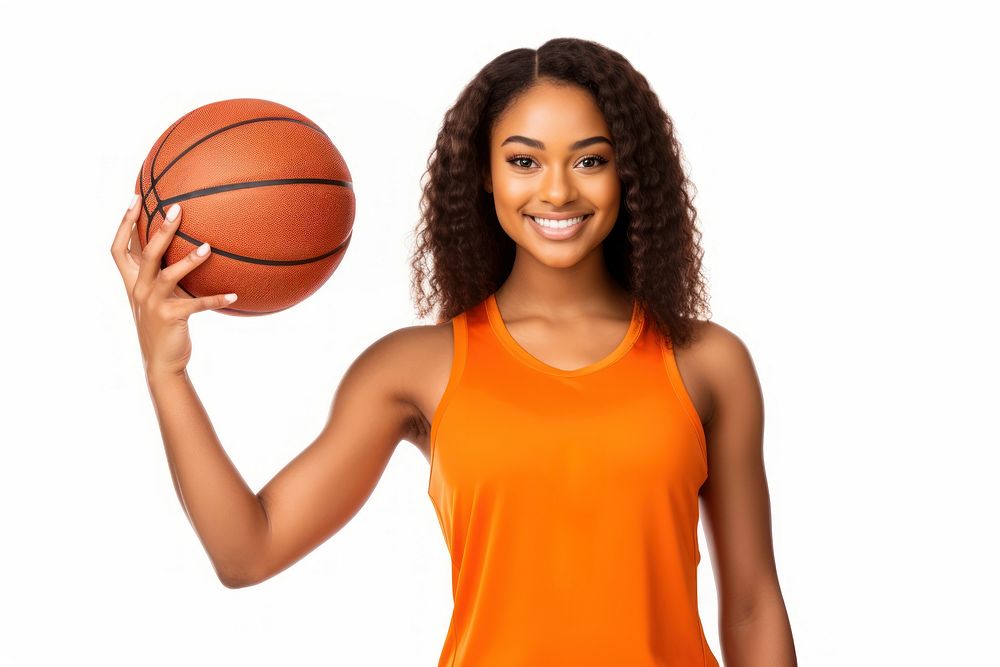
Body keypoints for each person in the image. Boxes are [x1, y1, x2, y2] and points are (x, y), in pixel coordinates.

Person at [111, 37, 795, 667]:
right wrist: (167, 372)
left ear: (630, 175)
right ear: (485, 176)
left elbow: (752, 603)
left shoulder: (707, 361)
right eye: (524, 160)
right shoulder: (416, 368)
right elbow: (247, 551)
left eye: (590, 159)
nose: (557, 190)